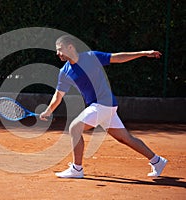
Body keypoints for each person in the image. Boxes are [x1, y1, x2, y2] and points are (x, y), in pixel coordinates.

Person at [39, 35, 167, 178]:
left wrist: (143, 53)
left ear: (70, 47)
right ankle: (157, 161)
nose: (57, 53)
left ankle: (77, 169)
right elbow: (58, 96)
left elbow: (117, 57)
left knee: (75, 128)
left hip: (103, 103)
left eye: (60, 49)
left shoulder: (90, 57)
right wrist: (48, 111)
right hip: (103, 107)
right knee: (125, 138)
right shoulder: (64, 72)